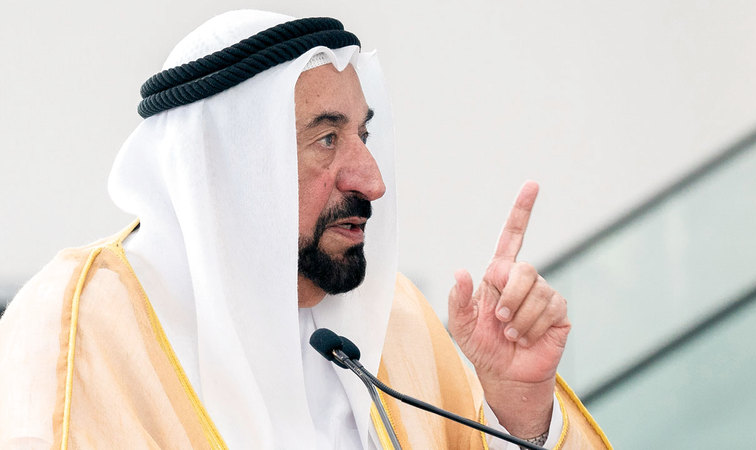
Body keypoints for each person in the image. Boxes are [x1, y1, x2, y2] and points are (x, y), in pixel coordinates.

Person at [0, 10, 611, 449]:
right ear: (228, 166)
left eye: (363, 135)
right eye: (326, 139)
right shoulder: (79, 326)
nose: (372, 181)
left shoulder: (392, 317)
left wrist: (517, 408)